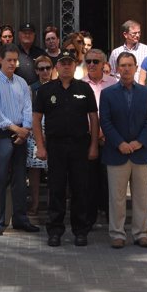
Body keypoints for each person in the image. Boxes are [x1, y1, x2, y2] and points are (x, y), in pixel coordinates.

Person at [33, 48, 99, 247]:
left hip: (80, 145)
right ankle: (55, 230)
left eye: (70, 63)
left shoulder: (84, 88)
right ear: (57, 66)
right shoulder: (45, 90)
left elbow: (93, 119)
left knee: (80, 189)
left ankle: (80, 230)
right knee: (57, 189)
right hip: (55, 146)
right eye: (62, 63)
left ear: (74, 66)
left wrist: (94, 145)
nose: (66, 66)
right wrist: (40, 146)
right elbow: (36, 120)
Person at [100, 52, 147, 248]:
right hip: (117, 152)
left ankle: (141, 233)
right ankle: (117, 233)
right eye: (122, 65)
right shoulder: (107, 94)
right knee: (116, 197)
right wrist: (120, 143)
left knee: (141, 197)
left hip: (140, 152)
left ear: (135, 68)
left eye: (129, 65)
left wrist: (139, 142)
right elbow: (105, 121)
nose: (126, 69)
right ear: (117, 68)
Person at [0, 43, 40, 236]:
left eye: (15, 60)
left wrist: (25, 130)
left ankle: (20, 219)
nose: (12, 63)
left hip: (21, 135)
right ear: (0, 60)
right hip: (2, 134)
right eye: (9, 60)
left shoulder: (22, 83)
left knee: (19, 178)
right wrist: (17, 129)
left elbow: (27, 107)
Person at [81, 49, 117, 230]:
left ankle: (112, 219)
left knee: (110, 180)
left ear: (104, 64)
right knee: (89, 181)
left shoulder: (113, 84)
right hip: (87, 139)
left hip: (110, 139)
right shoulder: (79, 85)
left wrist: (104, 133)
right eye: (88, 61)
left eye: (96, 61)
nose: (92, 65)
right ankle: (89, 219)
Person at [26, 56, 53, 217]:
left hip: (54, 132)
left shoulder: (59, 85)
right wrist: (37, 132)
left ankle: (52, 205)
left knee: (54, 171)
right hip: (35, 132)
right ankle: (34, 204)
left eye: (47, 68)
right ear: (36, 71)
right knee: (34, 170)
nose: (45, 72)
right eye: (41, 68)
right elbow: (28, 110)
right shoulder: (31, 88)